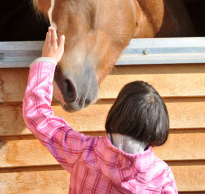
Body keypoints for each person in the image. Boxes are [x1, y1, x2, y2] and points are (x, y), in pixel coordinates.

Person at [23, 27, 178, 193]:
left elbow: (37, 115)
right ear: (157, 125)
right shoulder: (161, 176)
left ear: (117, 112)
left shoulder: (82, 152)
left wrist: (47, 62)